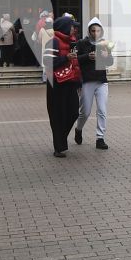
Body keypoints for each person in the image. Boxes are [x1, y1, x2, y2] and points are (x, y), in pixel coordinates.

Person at [43, 13, 83, 156]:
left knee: (73, 113)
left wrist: (79, 82)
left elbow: (76, 64)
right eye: (72, 26)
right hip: (57, 84)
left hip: (70, 82)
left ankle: (60, 139)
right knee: (58, 115)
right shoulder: (53, 41)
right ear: (65, 27)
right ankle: (58, 147)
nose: (74, 29)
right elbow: (47, 62)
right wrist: (65, 57)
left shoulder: (73, 41)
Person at [73, 18, 112, 150]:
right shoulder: (81, 43)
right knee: (85, 111)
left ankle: (100, 138)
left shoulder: (104, 44)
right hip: (87, 81)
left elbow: (110, 62)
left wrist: (106, 56)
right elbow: (75, 59)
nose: (96, 33)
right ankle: (78, 129)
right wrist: (87, 57)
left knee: (102, 110)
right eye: (93, 30)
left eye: (98, 30)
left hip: (101, 81)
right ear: (89, 30)